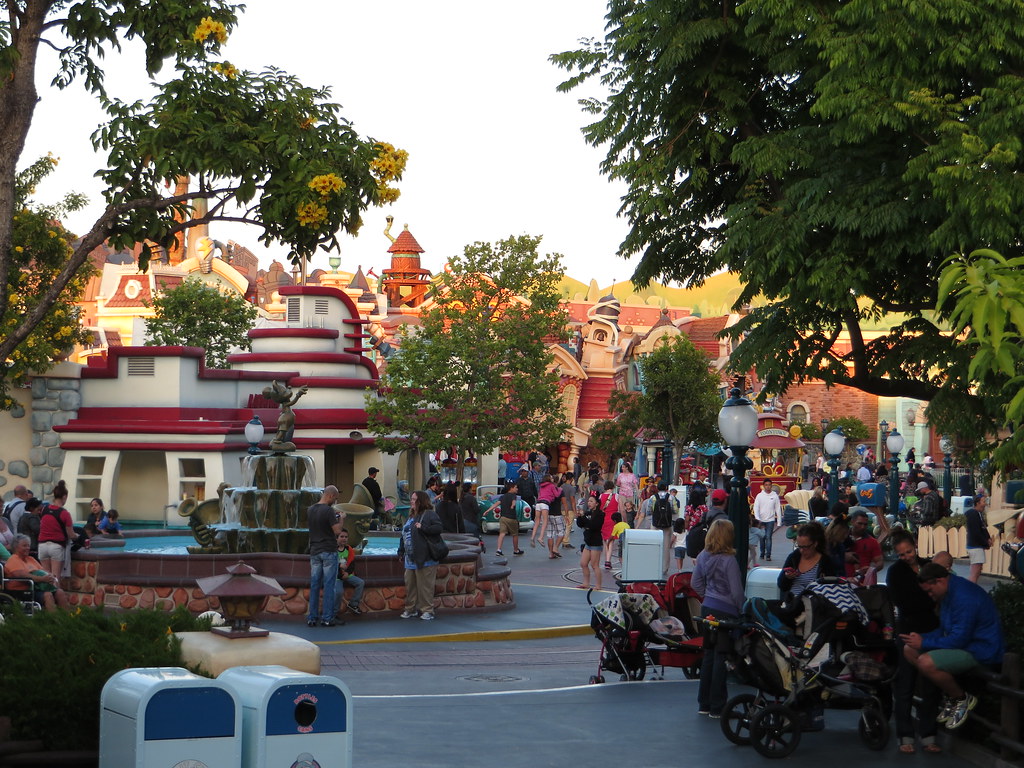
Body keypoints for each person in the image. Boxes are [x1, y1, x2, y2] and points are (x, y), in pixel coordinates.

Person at [901, 563, 1004, 730]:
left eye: (930, 591)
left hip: (981, 651)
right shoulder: (948, 592)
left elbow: (958, 640)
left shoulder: (964, 597)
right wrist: (921, 638)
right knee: (909, 650)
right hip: (966, 646)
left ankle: (961, 698)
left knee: (925, 662)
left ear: (940, 581)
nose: (929, 595)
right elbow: (945, 631)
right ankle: (951, 694)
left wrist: (924, 642)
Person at [887, 530, 943, 754]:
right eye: (901, 554)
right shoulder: (895, 572)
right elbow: (902, 602)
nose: (906, 557)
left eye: (909, 552)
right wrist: (929, 600)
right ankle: (905, 734)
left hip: (930, 630)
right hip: (908, 630)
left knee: (931, 683)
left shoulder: (928, 565)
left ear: (915, 546)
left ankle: (928, 735)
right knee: (906, 683)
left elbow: (941, 592)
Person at [692, 518, 745, 718]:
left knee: (709, 655)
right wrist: (741, 610)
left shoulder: (703, 556)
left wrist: (707, 596)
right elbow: (737, 592)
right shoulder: (729, 560)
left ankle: (704, 703)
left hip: (708, 608)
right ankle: (718, 705)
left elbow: (695, 582)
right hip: (726, 612)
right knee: (721, 657)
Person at [398, 490, 444, 620]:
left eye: (414, 499)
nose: (411, 501)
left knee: (425, 587)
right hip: (410, 559)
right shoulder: (411, 516)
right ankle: (410, 609)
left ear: (421, 501)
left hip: (425, 559)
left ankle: (427, 610)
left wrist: (423, 527)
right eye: (411, 499)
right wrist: (401, 550)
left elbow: (438, 528)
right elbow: (404, 535)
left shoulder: (429, 514)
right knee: (410, 586)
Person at [306, 485, 345, 628]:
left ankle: (312, 617)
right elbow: (337, 531)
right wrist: (341, 519)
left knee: (315, 585)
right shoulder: (328, 511)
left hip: (314, 551)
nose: (335, 501)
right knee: (329, 585)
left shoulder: (310, 510)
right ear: (330, 495)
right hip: (328, 550)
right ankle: (327, 618)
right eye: (335, 498)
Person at [777, 522, 839, 608]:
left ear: (815, 544)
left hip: (814, 607)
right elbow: (781, 586)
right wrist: (787, 577)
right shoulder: (794, 557)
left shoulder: (826, 562)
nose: (801, 550)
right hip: (791, 604)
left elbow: (830, 589)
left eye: (805, 547)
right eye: (799, 546)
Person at [4, 534, 69, 610]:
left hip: (36, 588)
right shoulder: (13, 559)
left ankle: (66, 616)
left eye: (28, 545)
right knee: (47, 595)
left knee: (59, 592)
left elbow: (43, 571)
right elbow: (20, 575)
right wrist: (41, 579)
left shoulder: (30, 559)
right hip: (21, 591)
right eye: (24, 546)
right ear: (16, 547)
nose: (28, 548)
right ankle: (52, 617)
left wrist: (50, 576)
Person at [37, 480, 75, 580]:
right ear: (64, 497)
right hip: (56, 546)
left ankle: (48, 591)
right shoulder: (65, 513)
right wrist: (78, 537)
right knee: (55, 578)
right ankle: (56, 590)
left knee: (46, 578)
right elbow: (71, 534)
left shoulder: (44, 509)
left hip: (42, 546)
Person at [485, 481, 524, 557]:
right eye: (516, 487)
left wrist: (488, 510)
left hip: (503, 518)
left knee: (502, 533)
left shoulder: (502, 496)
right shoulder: (513, 496)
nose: (517, 489)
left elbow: (496, 504)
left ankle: (499, 549)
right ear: (511, 488)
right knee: (515, 534)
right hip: (511, 518)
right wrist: (512, 505)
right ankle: (516, 550)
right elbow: (513, 501)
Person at [845, 508, 883, 583]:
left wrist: (871, 569)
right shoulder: (841, 538)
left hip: (863, 583)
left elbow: (880, 562)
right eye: (859, 523)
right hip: (842, 582)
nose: (862, 527)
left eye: (865, 524)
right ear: (852, 522)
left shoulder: (872, 542)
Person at [333, 529, 366, 616]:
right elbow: (330, 564)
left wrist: (347, 573)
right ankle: (334, 613)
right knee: (339, 592)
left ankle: (353, 604)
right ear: (336, 538)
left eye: (346, 537)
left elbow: (351, 564)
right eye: (342, 536)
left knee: (360, 582)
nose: (344, 538)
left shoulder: (349, 549)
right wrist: (341, 573)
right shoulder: (332, 550)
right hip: (336, 576)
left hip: (347, 574)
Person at [575, 494, 604, 591]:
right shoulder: (588, 513)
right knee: (583, 563)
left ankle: (598, 585)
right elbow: (580, 524)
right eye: (588, 501)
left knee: (594, 565)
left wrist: (584, 517)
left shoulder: (600, 514)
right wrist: (579, 517)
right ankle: (586, 583)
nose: (589, 503)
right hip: (588, 542)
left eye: (591, 501)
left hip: (596, 542)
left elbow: (593, 526)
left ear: (597, 503)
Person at [752, 479, 782, 561]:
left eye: (769, 485)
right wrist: (758, 519)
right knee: (762, 537)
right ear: (763, 486)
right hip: (761, 520)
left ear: (771, 486)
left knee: (768, 537)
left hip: (770, 520)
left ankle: (768, 555)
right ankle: (762, 553)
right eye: (766, 485)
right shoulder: (759, 496)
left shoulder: (774, 496)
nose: (768, 487)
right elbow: (756, 508)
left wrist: (779, 522)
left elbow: (778, 509)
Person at [965, 494, 992, 583]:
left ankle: (971, 587)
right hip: (975, 547)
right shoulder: (973, 514)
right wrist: (985, 543)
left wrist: (988, 538)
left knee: (977, 570)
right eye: (983, 501)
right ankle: (971, 588)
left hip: (976, 546)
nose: (985, 504)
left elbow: (982, 528)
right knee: (975, 572)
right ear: (977, 503)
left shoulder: (977, 513)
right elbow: (976, 532)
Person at [531, 474, 558, 548]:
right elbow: (556, 495)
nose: (552, 479)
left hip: (538, 503)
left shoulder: (541, 486)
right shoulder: (552, 486)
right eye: (551, 477)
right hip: (545, 503)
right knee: (545, 521)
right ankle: (541, 537)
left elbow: (539, 495)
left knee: (537, 521)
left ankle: (532, 537)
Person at [599, 480, 619, 570]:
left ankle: (606, 559)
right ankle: (608, 560)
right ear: (613, 487)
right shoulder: (616, 496)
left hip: (603, 519)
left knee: (605, 541)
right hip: (613, 520)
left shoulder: (601, 496)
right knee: (611, 541)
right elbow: (620, 509)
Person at [559, 473, 577, 549]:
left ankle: (563, 540)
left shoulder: (561, 487)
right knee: (568, 525)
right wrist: (575, 511)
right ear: (571, 479)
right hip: (569, 508)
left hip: (562, 507)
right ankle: (565, 541)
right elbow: (573, 501)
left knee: (564, 525)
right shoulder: (571, 488)